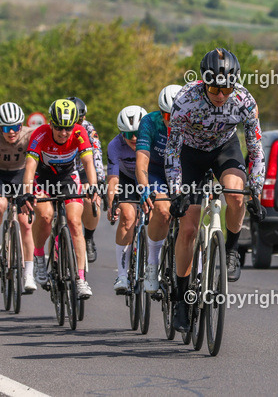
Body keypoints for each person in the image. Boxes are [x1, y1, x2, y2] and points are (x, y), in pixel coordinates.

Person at [166, 49, 264, 332]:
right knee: (188, 228)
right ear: (203, 82)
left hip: (224, 148)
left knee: (235, 195)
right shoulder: (185, 101)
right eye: (213, 88)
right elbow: (172, 150)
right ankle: (182, 300)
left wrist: (255, 190)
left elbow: (255, 148)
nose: (220, 95)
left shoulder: (245, 101)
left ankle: (231, 251)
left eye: (226, 88)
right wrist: (176, 191)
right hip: (190, 154)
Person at [24, 99, 101, 300]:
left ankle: (81, 278)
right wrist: (27, 192)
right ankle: (39, 257)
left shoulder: (79, 132)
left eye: (67, 128)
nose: (63, 133)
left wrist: (93, 185)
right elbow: (30, 167)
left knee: (75, 222)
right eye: (58, 127)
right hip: (43, 178)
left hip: (67, 177)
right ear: (51, 123)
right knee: (46, 215)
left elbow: (87, 161)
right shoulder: (39, 134)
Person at [0, 101, 37, 293]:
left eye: (15, 127)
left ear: (21, 125)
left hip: (21, 174)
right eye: (6, 128)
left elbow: (33, 165)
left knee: (26, 223)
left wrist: (29, 191)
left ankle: (29, 273)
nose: (11, 132)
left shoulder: (29, 135)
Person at [137, 85, 181, 293]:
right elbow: (142, 160)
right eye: (166, 114)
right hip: (157, 173)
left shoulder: (193, 122)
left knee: (191, 216)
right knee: (163, 210)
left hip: (183, 173)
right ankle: (152, 265)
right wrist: (144, 186)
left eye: (176, 114)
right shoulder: (150, 122)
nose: (170, 119)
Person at [106, 105, 148, 292]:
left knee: (159, 214)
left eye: (137, 133)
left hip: (149, 177)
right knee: (127, 216)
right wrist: (112, 203)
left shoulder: (152, 140)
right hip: (126, 181)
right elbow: (113, 179)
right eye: (127, 133)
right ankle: (122, 275)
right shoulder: (115, 145)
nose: (133, 138)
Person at [68, 96, 103, 263]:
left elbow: (96, 154)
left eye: (81, 119)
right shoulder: (60, 128)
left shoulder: (88, 129)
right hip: (62, 171)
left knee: (92, 200)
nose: (78, 123)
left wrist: (99, 181)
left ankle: (88, 238)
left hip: (82, 170)